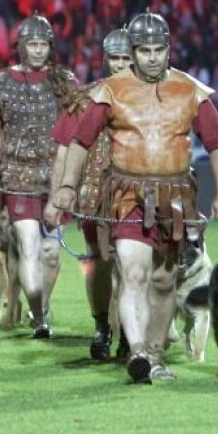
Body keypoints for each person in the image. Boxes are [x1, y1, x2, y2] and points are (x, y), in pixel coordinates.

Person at [50, 12, 218, 383]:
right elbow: (80, 141)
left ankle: (154, 354)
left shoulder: (190, 90)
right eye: (144, 50)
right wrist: (67, 186)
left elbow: (217, 143)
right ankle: (136, 352)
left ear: (168, 49)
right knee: (133, 272)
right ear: (132, 51)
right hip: (127, 195)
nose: (152, 57)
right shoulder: (111, 90)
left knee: (164, 281)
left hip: (176, 198)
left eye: (158, 49)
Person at [0, 14, 77, 338]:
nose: (37, 51)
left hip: (54, 179)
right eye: (31, 44)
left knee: (50, 253)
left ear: (51, 46)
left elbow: (77, 134)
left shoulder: (64, 82)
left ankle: (42, 308)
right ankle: (38, 315)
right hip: (17, 179)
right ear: (20, 47)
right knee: (29, 244)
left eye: (43, 44)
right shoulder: (2, 84)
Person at [46, 29, 132, 361]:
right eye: (116, 57)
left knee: (132, 265)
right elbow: (64, 152)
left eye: (127, 57)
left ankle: (129, 333)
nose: (122, 64)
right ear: (105, 59)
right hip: (95, 195)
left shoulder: (153, 99)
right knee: (99, 263)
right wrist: (58, 196)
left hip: (138, 194)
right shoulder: (85, 99)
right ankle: (102, 328)